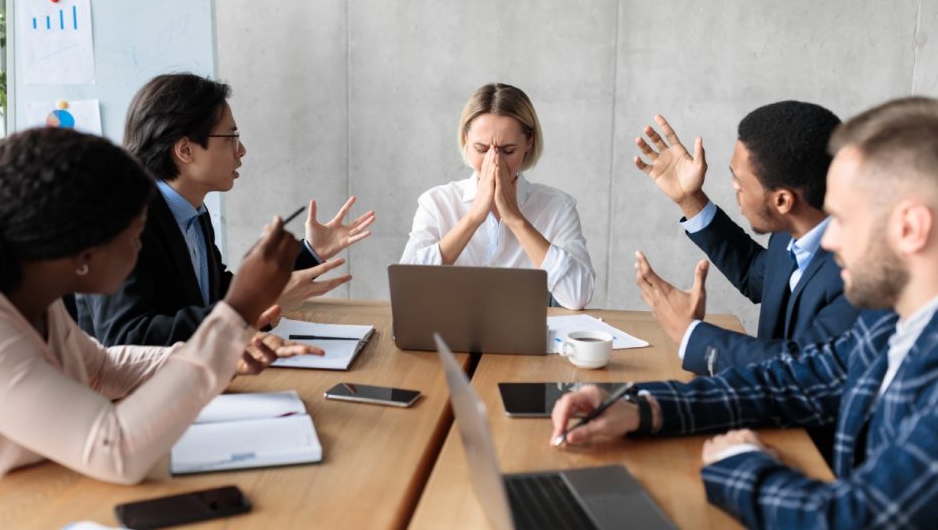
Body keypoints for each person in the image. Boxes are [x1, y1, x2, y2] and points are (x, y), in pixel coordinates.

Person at [551, 97, 938, 528]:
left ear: (909, 227)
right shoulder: (890, 323)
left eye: (845, 219)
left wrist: (739, 462)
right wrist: (641, 406)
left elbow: (852, 520)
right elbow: (792, 379)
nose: (828, 240)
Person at [0, 127, 323, 524]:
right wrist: (236, 311)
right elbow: (116, 450)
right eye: (134, 236)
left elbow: (100, 369)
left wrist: (225, 355)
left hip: (35, 502)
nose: (140, 248)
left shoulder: (36, 295)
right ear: (83, 253)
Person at [76, 73, 376, 346]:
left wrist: (309, 251)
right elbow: (126, 337)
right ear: (185, 150)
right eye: (231, 137)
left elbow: (218, 294)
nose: (241, 150)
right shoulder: (120, 221)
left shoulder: (192, 211)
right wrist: (255, 307)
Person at [632, 102, 859, 376]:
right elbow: (755, 275)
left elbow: (802, 368)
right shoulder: (789, 234)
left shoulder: (858, 275)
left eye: (739, 182)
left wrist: (690, 333)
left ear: (782, 200)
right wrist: (690, 199)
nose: (734, 187)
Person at [400, 83, 595, 309]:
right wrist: (473, 218)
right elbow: (407, 288)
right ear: (465, 140)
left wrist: (515, 219)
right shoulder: (436, 203)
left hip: (527, 340)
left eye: (508, 150)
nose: (494, 162)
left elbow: (578, 295)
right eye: (482, 149)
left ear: (529, 143)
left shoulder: (558, 207)